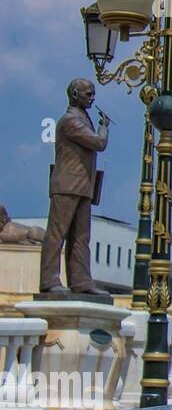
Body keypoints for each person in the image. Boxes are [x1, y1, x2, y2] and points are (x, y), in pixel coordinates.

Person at [40, 79, 109, 295]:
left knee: (81, 237)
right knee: (57, 234)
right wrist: (104, 127)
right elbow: (98, 143)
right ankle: (49, 280)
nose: (92, 97)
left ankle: (81, 282)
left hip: (83, 186)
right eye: (88, 94)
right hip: (67, 185)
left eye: (93, 94)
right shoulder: (69, 121)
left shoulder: (82, 119)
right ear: (75, 95)